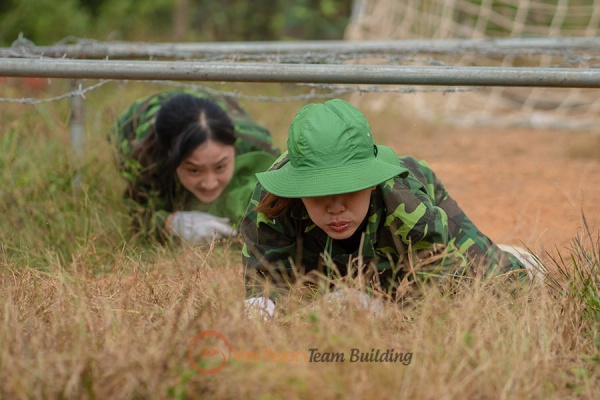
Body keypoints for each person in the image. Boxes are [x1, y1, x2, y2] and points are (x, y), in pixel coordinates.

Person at [241, 99, 528, 316]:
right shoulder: (271, 202)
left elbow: (435, 292)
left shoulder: (408, 204)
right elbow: (264, 284)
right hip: (328, 246)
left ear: (371, 183)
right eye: (318, 193)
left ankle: (516, 255)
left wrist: (383, 308)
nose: (336, 208)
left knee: (503, 285)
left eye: (349, 190)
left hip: (405, 221)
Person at [113, 89, 280, 243]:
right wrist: (171, 223)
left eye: (220, 167)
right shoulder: (144, 154)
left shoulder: (257, 143)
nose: (210, 184)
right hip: (145, 115)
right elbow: (136, 215)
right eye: (194, 170)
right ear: (171, 158)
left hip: (217, 105)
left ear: (234, 149)